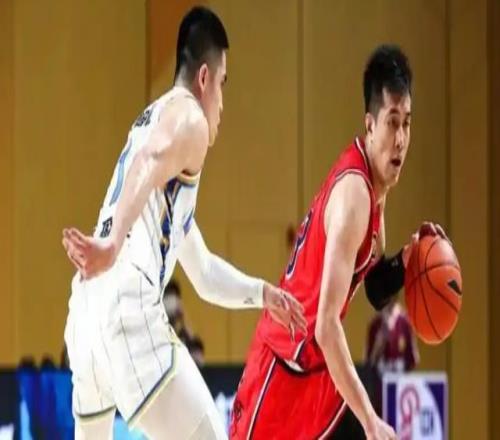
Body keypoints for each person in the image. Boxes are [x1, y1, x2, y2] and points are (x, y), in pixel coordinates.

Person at [61, 6, 306, 440]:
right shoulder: (189, 117)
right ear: (205, 78)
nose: (222, 104)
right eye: (224, 84)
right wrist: (113, 243)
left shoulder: (155, 132)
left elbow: (204, 272)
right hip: (126, 301)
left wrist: (262, 293)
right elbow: (149, 158)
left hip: (86, 309)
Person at [229, 45, 446, 440]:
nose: (401, 139)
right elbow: (326, 327)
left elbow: (375, 289)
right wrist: (370, 420)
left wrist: (411, 257)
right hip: (281, 366)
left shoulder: (376, 191)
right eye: (392, 123)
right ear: (370, 124)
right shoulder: (355, 197)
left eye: (407, 124)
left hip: (315, 371)